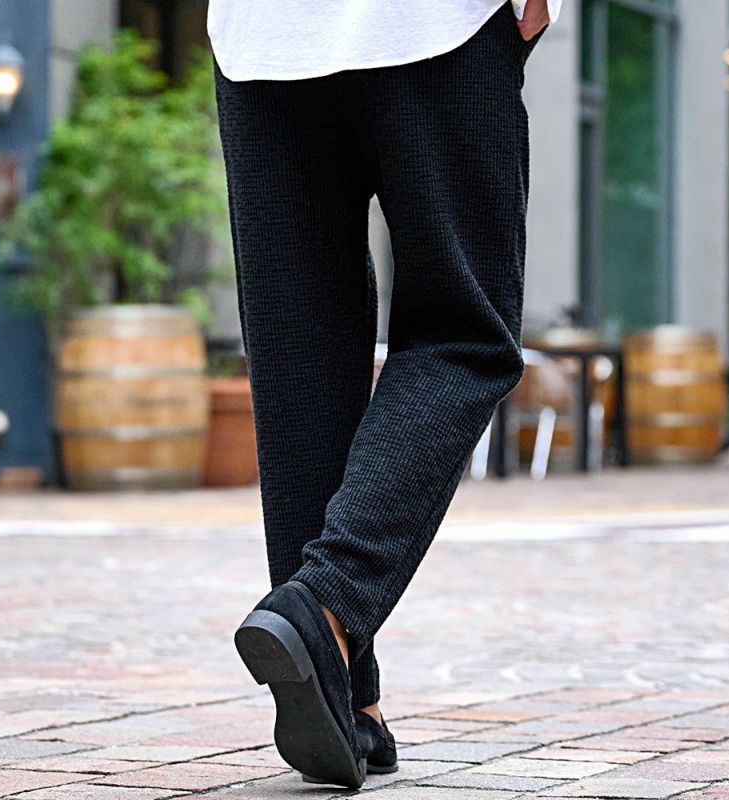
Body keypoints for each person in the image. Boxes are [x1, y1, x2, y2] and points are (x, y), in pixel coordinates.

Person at [207, 0, 561, 788]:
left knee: (301, 363)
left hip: (260, 38)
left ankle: (345, 692)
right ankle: (327, 603)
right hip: (432, 24)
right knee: (464, 335)